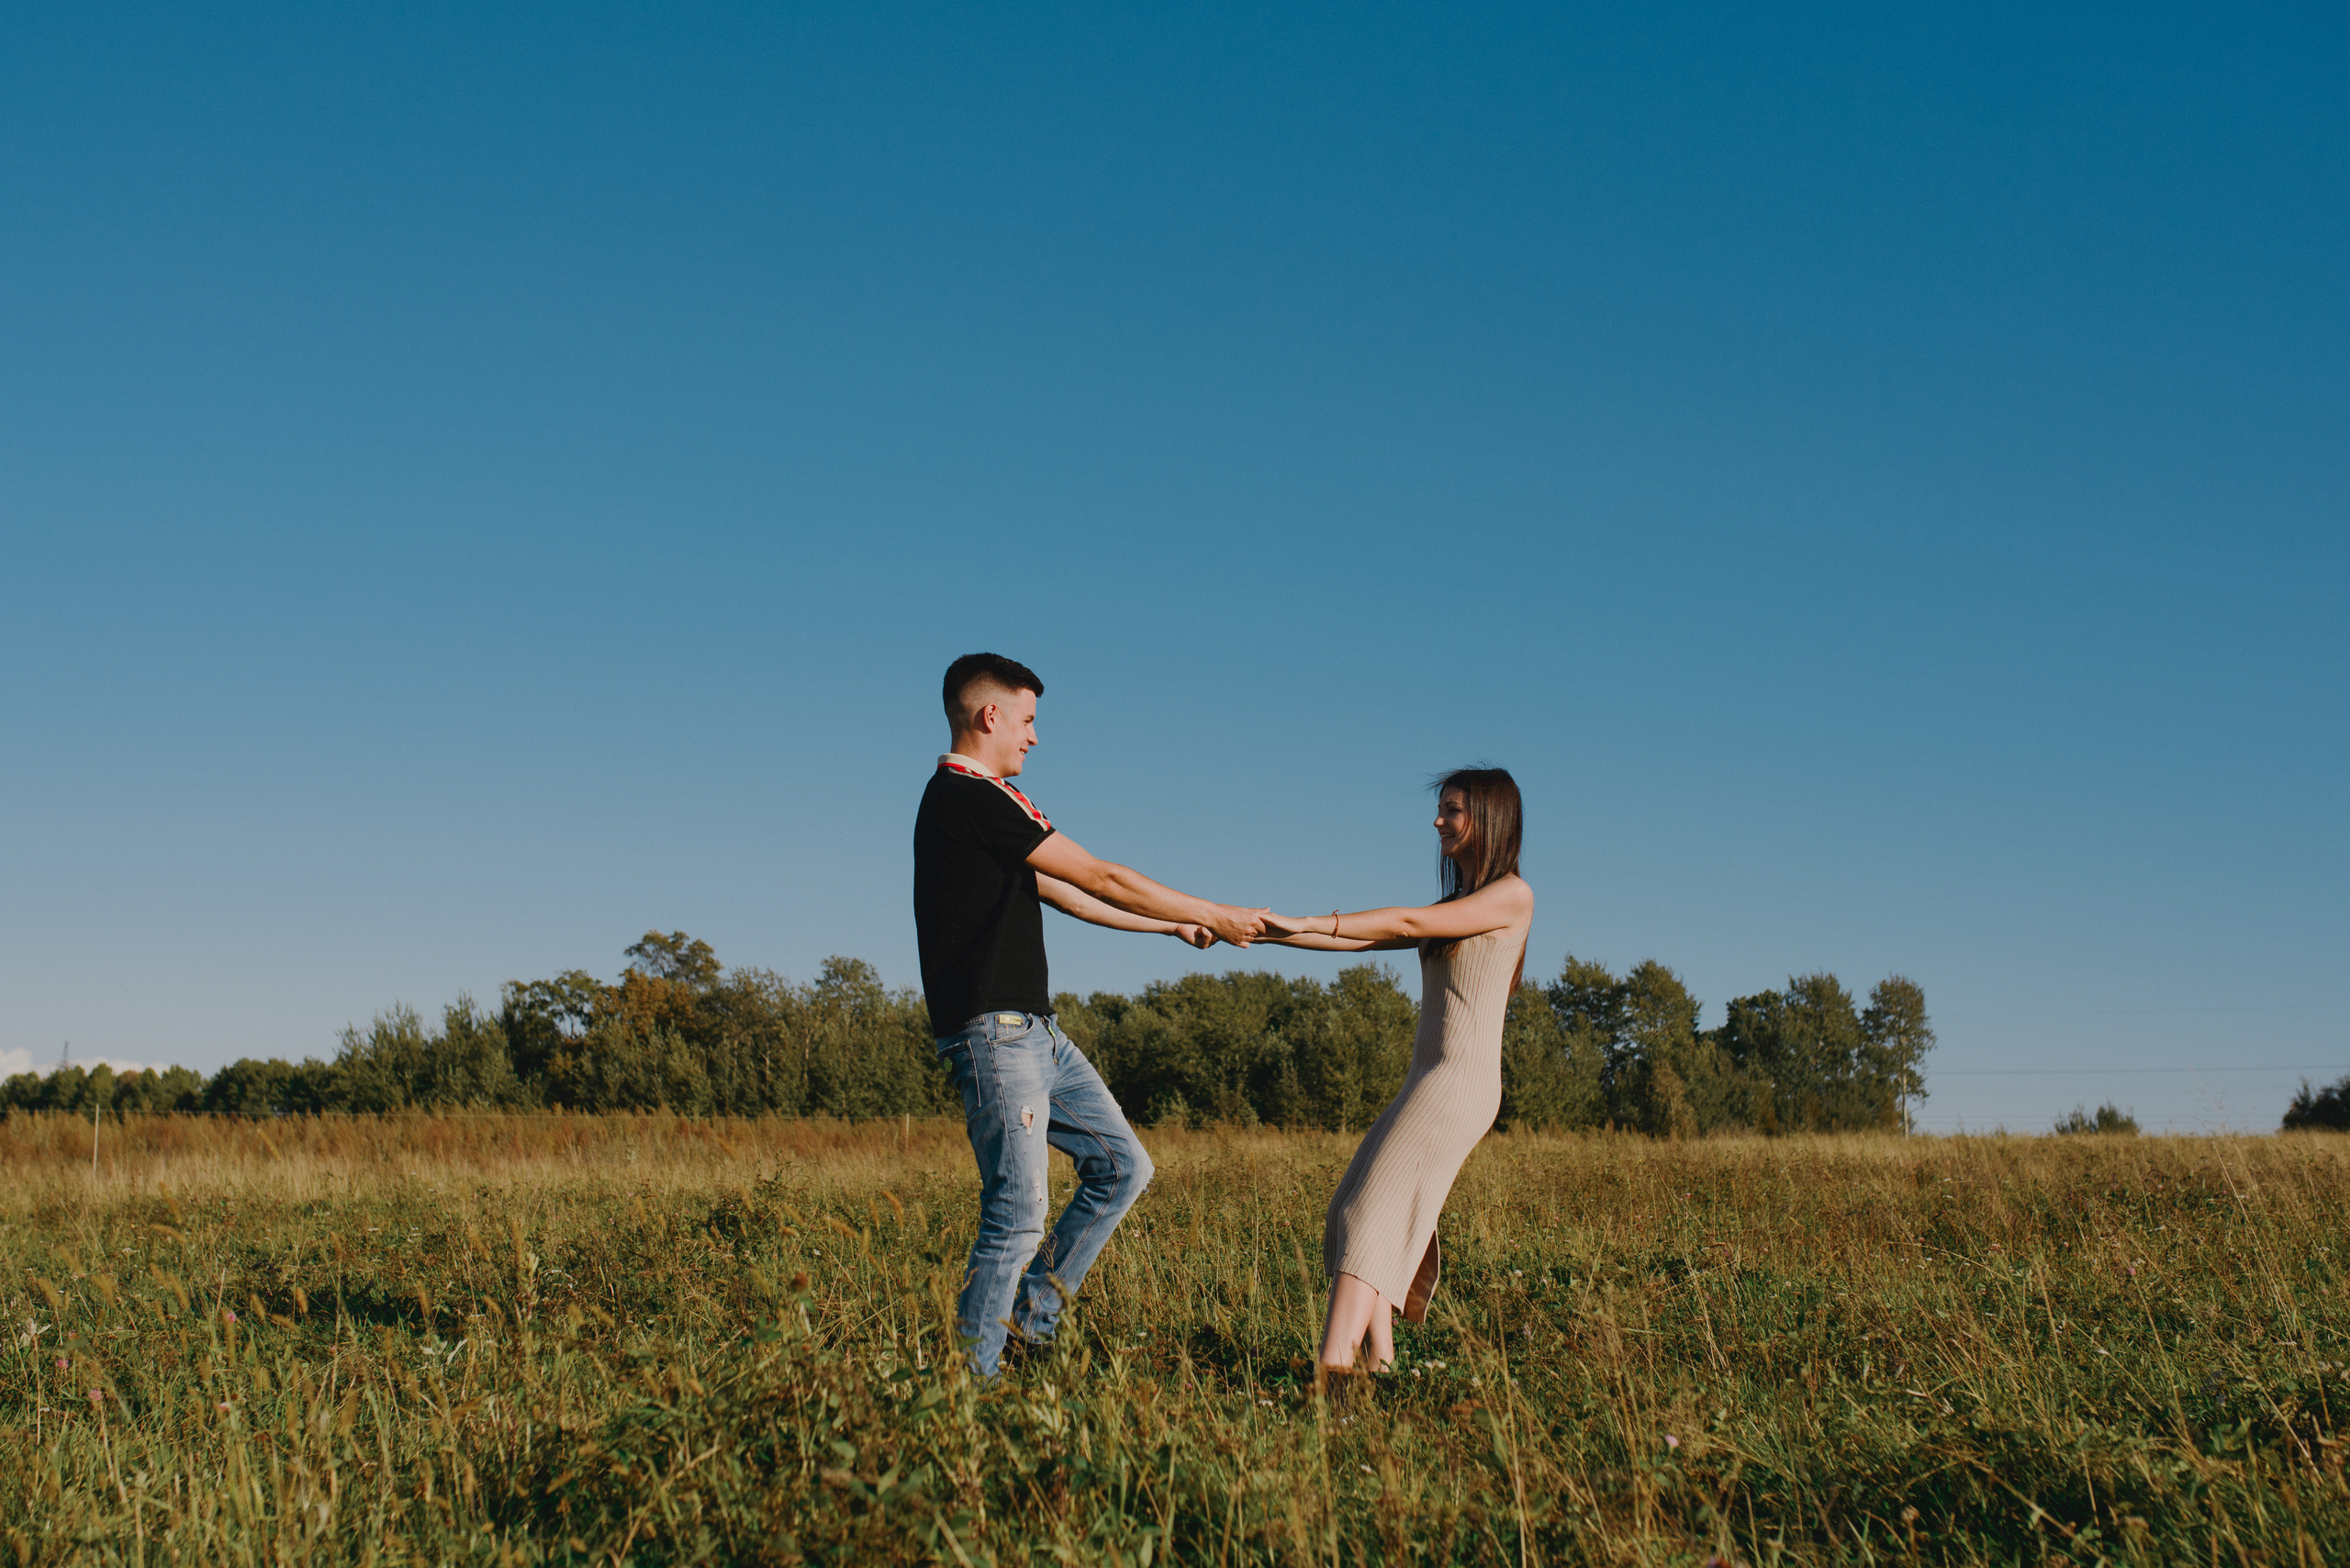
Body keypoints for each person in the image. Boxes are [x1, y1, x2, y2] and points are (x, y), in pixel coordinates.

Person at [915, 652, 1269, 1378]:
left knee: (1121, 1167)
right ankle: (969, 1392)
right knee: (1016, 1215)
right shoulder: (969, 796)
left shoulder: (990, 807)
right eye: (1028, 720)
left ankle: (1028, 1326)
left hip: (1037, 1033)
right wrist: (1215, 913)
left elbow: (1073, 893)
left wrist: (1169, 927)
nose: (1034, 738)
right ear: (991, 716)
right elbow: (1103, 874)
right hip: (995, 1033)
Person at [1260, 767, 1533, 1396]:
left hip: (1459, 1085)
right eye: (1441, 809)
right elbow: (1374, 939)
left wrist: (1311, 919)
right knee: (1348, 1216)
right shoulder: (1456, 909)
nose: (1438, 821)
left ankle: (1334, 1379)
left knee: (1367, 1217)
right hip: (1428, 1080)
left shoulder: (1513, 895)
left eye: (1453, 810)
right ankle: (1380, 1370)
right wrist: (1280, 932)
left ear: (1490, 818)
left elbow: (1403, 924)